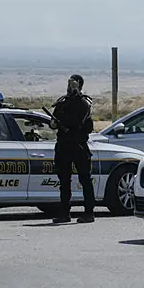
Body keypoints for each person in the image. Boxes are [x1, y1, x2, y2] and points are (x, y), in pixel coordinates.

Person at [50, 74, 96, 224]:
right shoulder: (63, 102)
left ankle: (89, 212)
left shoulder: (84, 103)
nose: (70, 87)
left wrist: (77, 95)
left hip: (79, 146)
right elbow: (54, 120)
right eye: (69, 84)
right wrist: (55, 124)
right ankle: (64, 213)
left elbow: (79, 121)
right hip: (64, 146)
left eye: (73, 84)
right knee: (64, 180)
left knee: (85, 179)